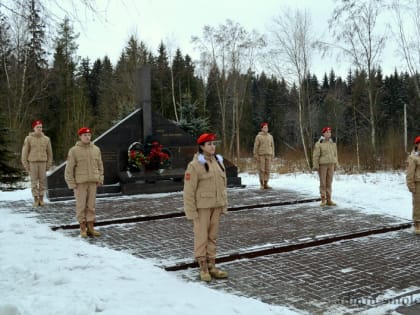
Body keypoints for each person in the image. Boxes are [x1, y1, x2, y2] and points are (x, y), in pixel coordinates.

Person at [183, 133, 228, 282]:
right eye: (209, 144)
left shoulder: (218, 162)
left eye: (213, 143)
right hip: (201, 208)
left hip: (216, 205)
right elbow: (189, 191)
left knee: (212, 237)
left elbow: (223, 186)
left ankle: (212, 265)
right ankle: (203, 267)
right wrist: (191, 211)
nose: (212, 146)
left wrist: (224, 205)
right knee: (201, 237)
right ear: (201, 147)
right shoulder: (195, 165)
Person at [65, 127, 104, 238]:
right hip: (80, 184)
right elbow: (69, 169)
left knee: (91, 206)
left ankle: (91, 227)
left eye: (89, 135)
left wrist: (100, 178)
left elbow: (100, 165)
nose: (87, 137)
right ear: (80, 136)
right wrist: (72, 184)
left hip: (93, 183)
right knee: (81, 206)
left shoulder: (96, 149)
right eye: (85, 135)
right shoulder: (74, 151)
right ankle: (82, 228)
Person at [21, 120, 53, 207]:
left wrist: (48, 164)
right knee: (34, 182)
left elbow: (50, 154)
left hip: (43, 163)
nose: (39, 129)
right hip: (32, 163)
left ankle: (41, 199)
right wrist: (26, 166)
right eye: (37, 127)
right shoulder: (28, 138)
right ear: (34, 128)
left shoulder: (46, 139)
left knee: (42, 182)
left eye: (41, 127)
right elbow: (24, 153)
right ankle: (35, 199)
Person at [312, 126, 338, 207]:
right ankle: (323, 199)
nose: (328, 134)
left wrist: (336, 164)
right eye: (327, 132)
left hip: (331, 164)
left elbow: (335, 155)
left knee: (329, 183)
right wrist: (316, 166)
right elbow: (316, 156)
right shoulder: (319, 143)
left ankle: (329, 200)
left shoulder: (333, 143)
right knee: (323, 183)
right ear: (323, 133)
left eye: (330, 132)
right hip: (322, 165)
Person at [253, 122, 275, 189]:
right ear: (262, 128)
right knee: (262, 170)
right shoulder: (258, 136)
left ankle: (266, 183)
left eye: (267, 127)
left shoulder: (270, 136)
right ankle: (261, 184)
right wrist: (255, 155)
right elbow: (255, 146)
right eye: (265, 127)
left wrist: (273, 154)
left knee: (267, 170)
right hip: (261, 155)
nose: (266, 128)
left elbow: (272, 146)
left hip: (269, 155)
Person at [406, 136, 420, 234]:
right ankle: (417, 224)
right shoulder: (412, 157)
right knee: (417, 205)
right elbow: (409, 173)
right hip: (417, 184)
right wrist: (411, 186)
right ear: (417, 145)